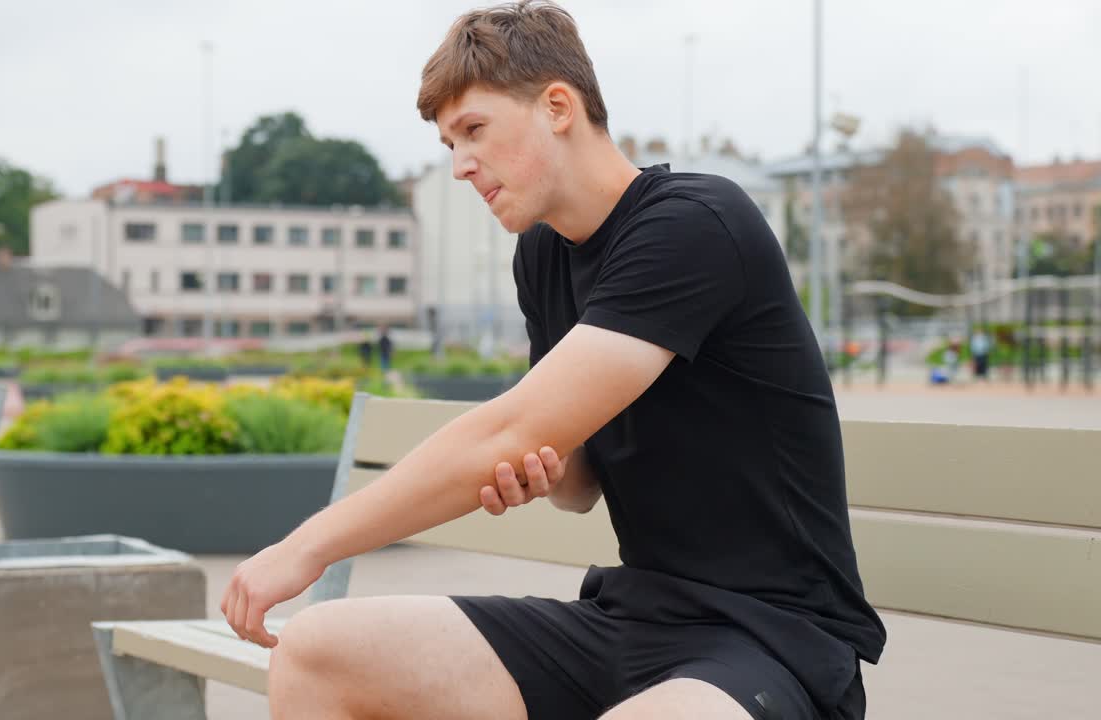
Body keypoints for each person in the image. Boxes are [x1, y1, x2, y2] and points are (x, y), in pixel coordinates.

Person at [219, 3, 885, 719]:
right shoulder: (542, 253)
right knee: (317, 651)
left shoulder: (695, 223)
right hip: (636, 618)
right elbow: (575, 487)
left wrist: (307, 545)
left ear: (558, 106)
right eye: (449, 143)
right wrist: (549, 466)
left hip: (769, 638)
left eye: (473, 129)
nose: (460, 165)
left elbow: (505, 430)